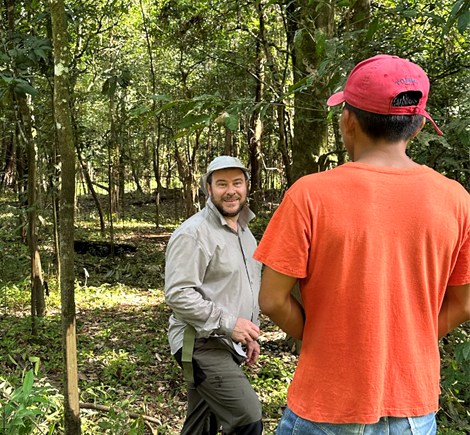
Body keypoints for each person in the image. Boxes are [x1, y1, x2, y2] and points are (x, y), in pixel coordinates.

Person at [253, 54, 470, 434]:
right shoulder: (455, 200)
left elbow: (271, 299)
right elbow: (465, 302)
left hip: (325, 404)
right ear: (417, 127)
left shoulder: (310, 195)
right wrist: (410, 334)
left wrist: (323, 334)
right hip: (412, 410)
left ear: (348, 121)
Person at [165, 155, 263, 435]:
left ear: (246, 186)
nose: (230, 190)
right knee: (248, 417)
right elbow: (178, 294)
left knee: (200, 426)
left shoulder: (245, 233)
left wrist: (248, 334)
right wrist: (232, 325)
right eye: (221, 184)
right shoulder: (194, 233)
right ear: (208, 189)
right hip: (200, 344)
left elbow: (242, 288)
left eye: (237, 183)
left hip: (227, 343)